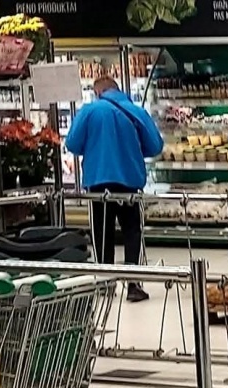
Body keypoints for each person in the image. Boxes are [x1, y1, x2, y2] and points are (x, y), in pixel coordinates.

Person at [65, 75, 163, 303]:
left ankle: (105, 282)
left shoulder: (89, 111)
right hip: (129, 180)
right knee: (132, 232)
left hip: (98, 181)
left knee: (102, 232)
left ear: (98, 92)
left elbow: (72, 144)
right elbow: (155, 145)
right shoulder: (136, 111)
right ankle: (133, 285)